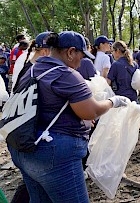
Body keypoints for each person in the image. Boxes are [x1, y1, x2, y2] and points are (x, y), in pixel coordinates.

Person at [7, 31, 128, 203]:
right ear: (70, 52)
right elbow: (91, 111)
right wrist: (112, 101)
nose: (81, 62)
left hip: (24, 149)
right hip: (53, 155)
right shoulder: (66, 74)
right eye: (81, 55)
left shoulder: (32, 69)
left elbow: (44, 104)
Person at [107, 41, 140, 153]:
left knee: (121, 123)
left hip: (121, 98)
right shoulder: (133, 64)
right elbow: (139, 82)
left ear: (118, 51)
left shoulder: (116, 65)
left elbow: (108, 82)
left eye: (113, 51)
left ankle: (123, 149)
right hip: (133, 97)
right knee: (139, 121)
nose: (113, 54)